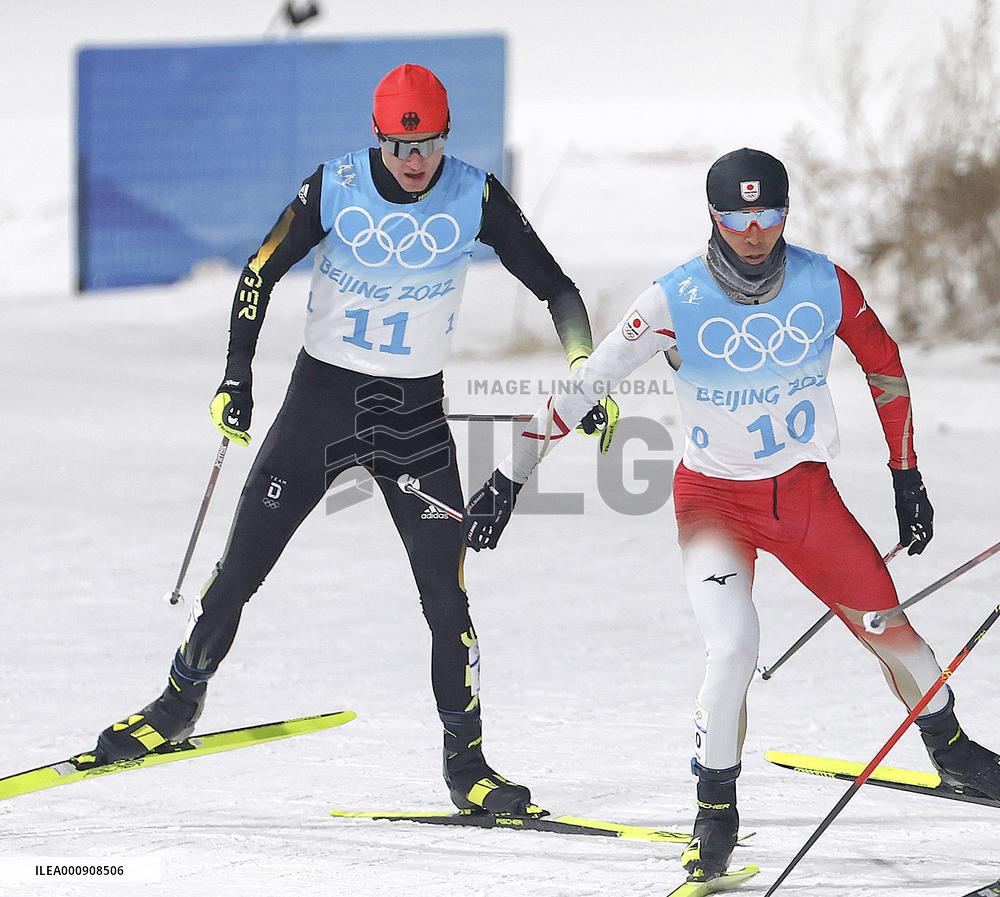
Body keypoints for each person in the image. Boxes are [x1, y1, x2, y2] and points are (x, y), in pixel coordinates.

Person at [93, 63, 614, 815]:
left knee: (447, 600)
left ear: (444, 138)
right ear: (378, 137)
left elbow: (558, 288)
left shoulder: (475, 193)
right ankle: (177, 704)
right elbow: (259, 271)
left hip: (413, 420)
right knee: (239, 571)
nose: (415, 163)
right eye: (402, 148)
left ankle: (466, 765)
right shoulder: (333, 185)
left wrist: (581, 367)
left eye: (429, 146)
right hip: (321, 405)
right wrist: (235, 376)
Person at [464, 148, 1000, 878]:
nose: (754, 232)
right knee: (733, 649)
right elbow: (588, 384)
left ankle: (954, 751)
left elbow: (885, 366)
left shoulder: (824, 283)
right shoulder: (671, 300)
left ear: (786, 213)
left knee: (889, 628)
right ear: (713, 216)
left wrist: (907, 473)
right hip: (715, 503)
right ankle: (715, 810)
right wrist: (509, 474)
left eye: (769, 214)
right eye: (738, 216)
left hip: (805, 497)